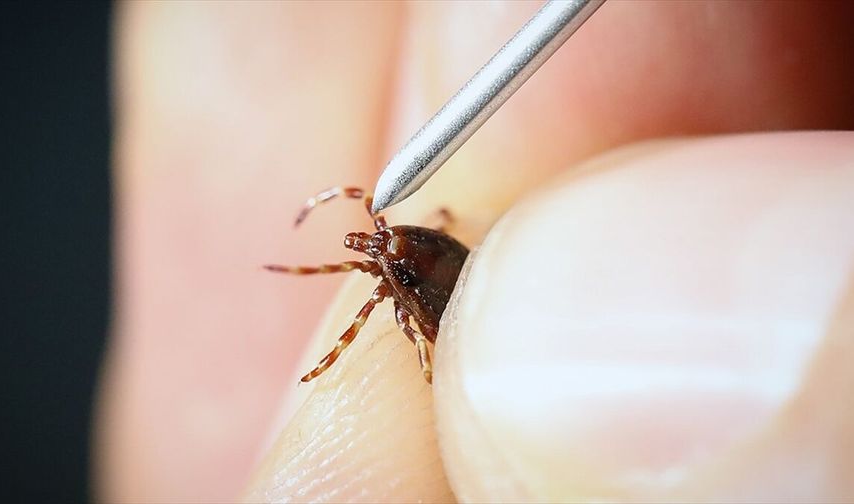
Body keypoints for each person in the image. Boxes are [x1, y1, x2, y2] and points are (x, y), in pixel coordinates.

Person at [95, 2, 854, 501]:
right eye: (366, 240)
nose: (364, 245)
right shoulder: (404, 251)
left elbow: (373, 310)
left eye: (366, 238)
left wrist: (348, 345)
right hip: (450, 278)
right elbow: (419, 256)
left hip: (449, 294)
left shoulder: (393, 267)